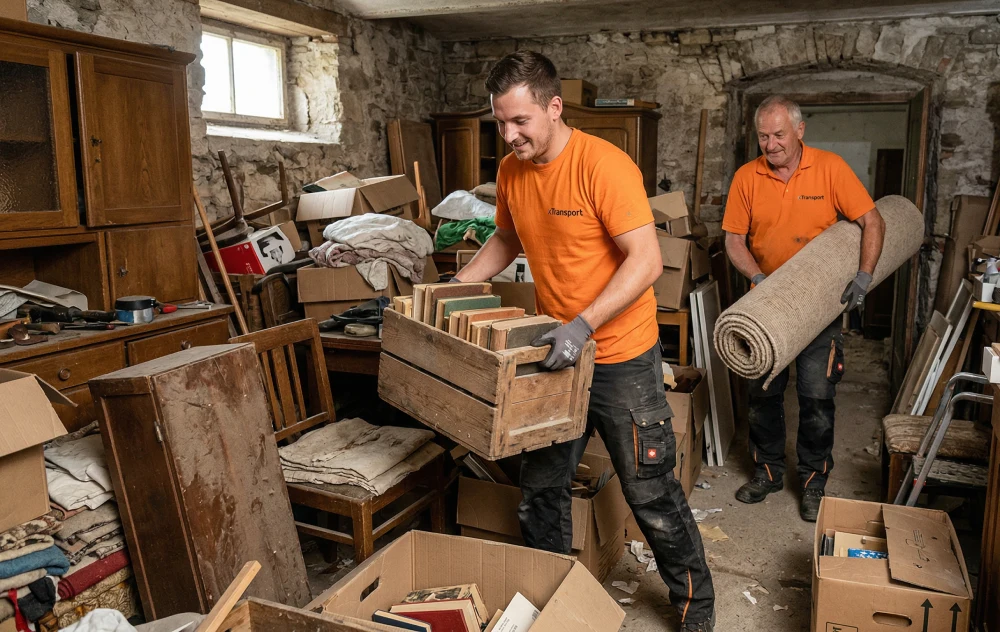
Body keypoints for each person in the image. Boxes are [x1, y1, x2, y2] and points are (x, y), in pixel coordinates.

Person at [454, 51, 715, 630]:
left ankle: (698, 608)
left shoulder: (605, 165)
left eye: (519, 121)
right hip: (556, 356)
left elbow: (645, 262)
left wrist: (584, 323)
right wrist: (455, 285)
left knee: (651, 493)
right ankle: (556, 603)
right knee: (541, 492)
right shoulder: (511, 171)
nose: (508, 134)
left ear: (553, 107)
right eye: (500, 122)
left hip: (619, 354)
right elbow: (505, 239)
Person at [722, 95, 886, 522]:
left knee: (816, 397)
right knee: (763, 395)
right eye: (763, 136)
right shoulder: (747, 177)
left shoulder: (830, 168)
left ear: (799, 130)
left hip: (817, 307)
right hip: (767, 304)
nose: (770, 144)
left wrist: (864, 276)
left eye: (778, 134)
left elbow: (873, 220)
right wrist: (758, 279)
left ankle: (814, 482)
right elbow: (734, 240)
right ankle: (768, 472)